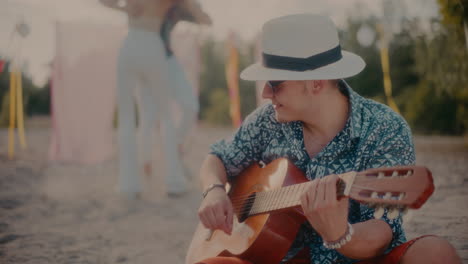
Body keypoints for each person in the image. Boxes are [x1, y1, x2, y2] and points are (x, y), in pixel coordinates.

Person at [194, 14, 461, 264]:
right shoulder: (267, 120)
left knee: (436, 253)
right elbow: (217, 157)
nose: (265, 93)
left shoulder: (385, 128)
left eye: (275, 83)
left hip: (362, 257)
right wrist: (214, 191)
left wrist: (339, 235)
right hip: (282, 258)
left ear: (316, 83)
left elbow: (383, 229)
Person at [99, 0, 186, 197]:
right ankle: (173, 181)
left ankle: (128, 185)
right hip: (152, 43)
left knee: (126, 117)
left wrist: (123, 7)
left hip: (130, 43)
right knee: (166, 116)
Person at [159, 0, 211, 171]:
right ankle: (171, 164)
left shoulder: (178, 10)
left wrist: (191, 7)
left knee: (190, 106)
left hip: (167, 60)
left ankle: (177, 147)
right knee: (157, 116)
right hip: (151, 59)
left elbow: (207, 20)